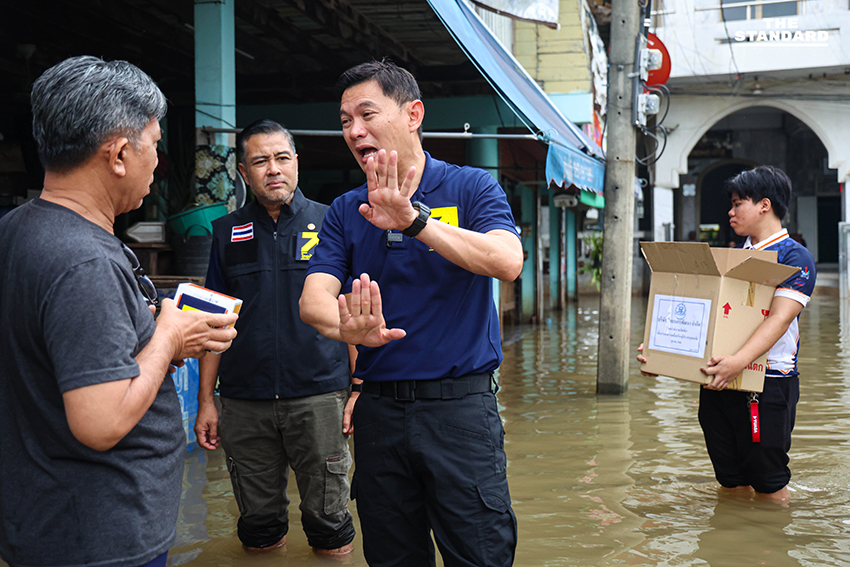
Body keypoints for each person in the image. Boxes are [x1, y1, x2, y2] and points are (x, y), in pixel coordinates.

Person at [0, 56, 238, 567]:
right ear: (119, 154)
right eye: (154, 144)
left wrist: (149, 338)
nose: (158, 160)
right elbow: (100, 422)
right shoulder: (82, 260)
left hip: (45, 516)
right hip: (99, 536)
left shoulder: (18, 229)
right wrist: (169, 337)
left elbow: (54, 350)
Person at [299, 60, 523, 567]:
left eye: (367, 114)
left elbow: (507, 261)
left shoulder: (471, 187)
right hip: (378, 415)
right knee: (392, 556)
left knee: (480, 553)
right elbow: (312, 302)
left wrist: (413, 220)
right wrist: (346, 327)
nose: (355, 131)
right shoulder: (345, 210)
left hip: (460, 412)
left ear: (413, 114)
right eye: (344, 121)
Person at [195, 119, 356, 555]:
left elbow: (353, 311)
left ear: (297, 164)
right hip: (245, 403)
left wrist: (360, 388)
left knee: (329, 522)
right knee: (258, 526)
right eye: (260, 161)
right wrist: (206, 401)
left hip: (320, 398)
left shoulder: (332, 222)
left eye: (282, 158)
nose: (274, 169)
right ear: (244, 173)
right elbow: (214, 320)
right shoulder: (226, 232)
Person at [639, 165, 816, 502]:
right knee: (730, 480)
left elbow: (778, 320)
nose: (730, 211)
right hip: (719, 381)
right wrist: (661, 353)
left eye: (738, 203)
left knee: (770, 484)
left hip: (766, 383)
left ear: (764, 205)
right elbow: (704, 317)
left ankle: (770, 547)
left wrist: (738, 361)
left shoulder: (795, 257)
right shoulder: (731, 256)